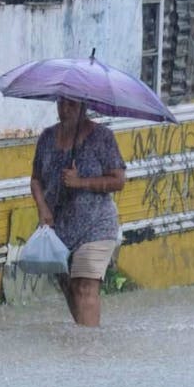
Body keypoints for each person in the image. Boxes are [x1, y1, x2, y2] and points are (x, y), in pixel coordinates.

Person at [30, 97, 126, 326]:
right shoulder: (47, 138)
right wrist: (42, 208)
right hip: (59, 228)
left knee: (85, 287)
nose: (65, 110)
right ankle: (84, 341)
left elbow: (118, 180)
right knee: (71, 289)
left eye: (72, 104)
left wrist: (80, 182)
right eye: (61, 103)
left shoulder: (102, 137)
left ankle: (89, 353)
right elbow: (35, 180)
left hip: (96, 226)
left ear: (84, 106)